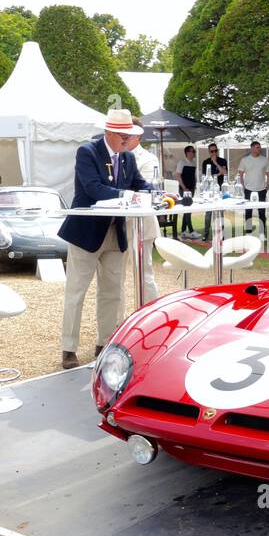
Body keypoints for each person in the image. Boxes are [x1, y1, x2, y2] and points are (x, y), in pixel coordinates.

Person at [59, 110, 152, 369]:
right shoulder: (87, 152)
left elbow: (139, 183)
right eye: (123, 135)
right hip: (85, 232)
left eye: (129, 136)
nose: (127, 140)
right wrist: (130, 196)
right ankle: (68, 348)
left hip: (116, 231)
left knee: (113, 292)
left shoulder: (128, 158)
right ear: (109, 132)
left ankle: (106, 342)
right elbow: (93, 188)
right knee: (76, 291)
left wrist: (156, 193)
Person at [130, 134, 161, 302]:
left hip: (143, 225)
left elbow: (146, 191)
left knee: (145, 274)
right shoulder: (113, 156)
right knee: (116, 278)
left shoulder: (148, 158)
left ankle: (150, 316)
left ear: (138, 136)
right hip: (117, 225)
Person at [237, 140, 269, 235]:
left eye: (260, 147)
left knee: (262, 212)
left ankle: (262, 233)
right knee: (248, 211)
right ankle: (248, 232)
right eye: (257, 147)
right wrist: (243, 186)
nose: (259, 149)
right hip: (248, 189)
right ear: (252, 148)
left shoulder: (264, 160)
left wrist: (267, 186)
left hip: (261, 189)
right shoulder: (244, 160)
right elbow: (241, 174)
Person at [199, 142, 228, 241]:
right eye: (212, 151)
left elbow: (225, 172)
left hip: (220, 189)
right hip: (209, 191)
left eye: (216, 150)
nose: (214, 152)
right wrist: (218, 173)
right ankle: (206, 234)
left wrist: (215, 163)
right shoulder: (205, 162)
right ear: (209, 152)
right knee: (208, 214)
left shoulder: (222, 160)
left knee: (220, 213)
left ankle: (221, 234)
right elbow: (206, 177)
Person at [178, 145, 198, 239]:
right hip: (184, 189)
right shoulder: (182, 162)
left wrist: (195, 184)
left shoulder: (194, 162)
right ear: (187, 153)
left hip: (192, 188)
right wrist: (184, 187)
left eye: (194, 151)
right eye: (192, 151)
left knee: (187, 210)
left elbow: (193, 175)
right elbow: (178, 175)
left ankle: (183, 231)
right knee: (188, 209)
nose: (194, 153)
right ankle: (191, 231)